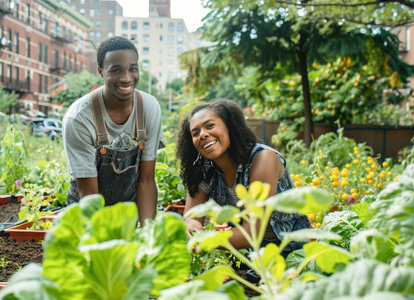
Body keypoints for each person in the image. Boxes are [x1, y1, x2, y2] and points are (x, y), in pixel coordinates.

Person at [176, 99, 310, 256]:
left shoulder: (263, 159)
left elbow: (251, 232)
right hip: (256, 254)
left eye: (210, 126)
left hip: (294, 250)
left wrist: (206, 239)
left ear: (229, 127)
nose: (203, 134)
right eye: (195, 133)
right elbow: (192, 216)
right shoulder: (205, 169)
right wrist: (191, 225)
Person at [62, 36, 164, 225]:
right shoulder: (79, 118)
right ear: (100, 71)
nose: (126, 78)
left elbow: (147, 181)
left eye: (132, 69)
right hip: (87, 215)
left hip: (130, 211)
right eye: (116, 70)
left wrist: (148, 235)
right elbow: (89, 196)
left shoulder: (149, 108)